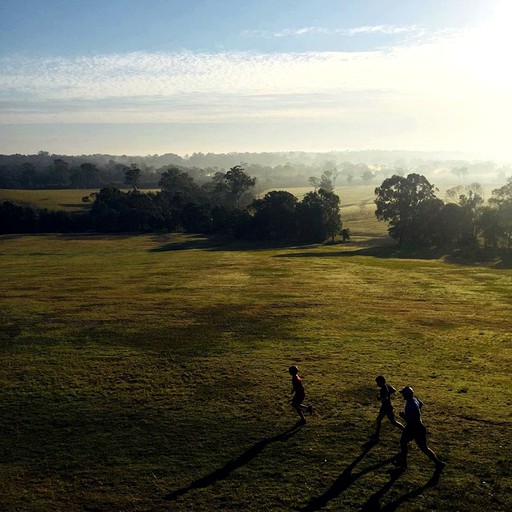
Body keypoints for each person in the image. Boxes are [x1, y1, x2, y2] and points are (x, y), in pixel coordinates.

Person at [393, 386, 445, 471]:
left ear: (407, 394)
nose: (402, 395)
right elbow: (421, 404)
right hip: (418, 427)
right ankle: (438, 463)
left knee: (403, 442)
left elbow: (413, 419)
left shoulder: (411, 404)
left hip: (413, 427)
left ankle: (403, 462)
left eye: (404, 394)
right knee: (423, 448)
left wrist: (404, 416)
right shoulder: (414, 400)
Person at [370, 375, 404, 441]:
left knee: (390, 421)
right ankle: (376, 435)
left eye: (378, 383)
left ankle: (376, 435)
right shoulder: (387, 386)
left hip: (386, 407)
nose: (377, 384)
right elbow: (394, 390)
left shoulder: (383, 389)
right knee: (388, 421)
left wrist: (380, 398)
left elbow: (385, 398)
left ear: (381, 382)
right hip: (387, 407)